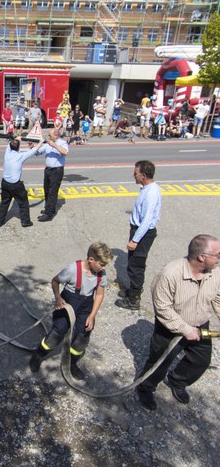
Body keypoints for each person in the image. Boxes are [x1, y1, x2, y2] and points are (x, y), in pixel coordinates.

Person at [136, 235, 220, 411]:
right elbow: (162, 308)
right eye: (217, 255)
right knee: (159, 362)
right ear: (202, 257)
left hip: (200, 325)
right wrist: (185, 329)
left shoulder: (215, 273)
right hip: (170, 328)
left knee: (200, 361)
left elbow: (218, 299)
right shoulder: (170, 274)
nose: (219, 258)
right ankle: (146, 387)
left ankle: (177, 381)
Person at [29, 242, 113, 379]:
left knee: (83, 336)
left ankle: (72, 363)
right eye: (102, 264)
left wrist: (92, 315)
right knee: (58, 332)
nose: (103, 268)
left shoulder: (100, 273)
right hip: (68, 303)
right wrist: (57, 298)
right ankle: (38, 354)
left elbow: (99, 294)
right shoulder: (73, 269)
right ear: (91, 259)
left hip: (86, 306)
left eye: (105, 265)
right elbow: (55, 281)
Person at [116, 160, 162, 310]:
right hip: (138, 230)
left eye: (135, 173)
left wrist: (135, 240)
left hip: (142, 233)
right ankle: (132, 290)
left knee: (136, 265)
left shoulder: (151, 193)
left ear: (143, 175)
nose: (133, 175)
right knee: (132, 263)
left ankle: (134, 300)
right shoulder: (147, 188)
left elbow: (147, 219)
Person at [0, 137, 43, 228]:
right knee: (23, 202)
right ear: (18, 148)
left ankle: (0, 221)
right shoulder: (20, 156)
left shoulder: (7, 152)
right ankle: (25, 221)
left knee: (4, 202)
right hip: (15, 184)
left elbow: (11, 144)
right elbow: (33, 150)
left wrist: (17, 138)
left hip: (5, 182)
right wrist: (41, 142)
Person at [36, 129, 69, 222]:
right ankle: (49, 208)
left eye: (50, 135)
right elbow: (39, 152)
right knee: (46, 190)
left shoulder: (62, 143)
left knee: (52, 192)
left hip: (57, 171)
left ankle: (49, 214)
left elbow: (65, 152)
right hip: (48, 170)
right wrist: (34, 148)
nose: (49, 137)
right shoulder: (48, 144)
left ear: (56, 135)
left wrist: (54, 145)